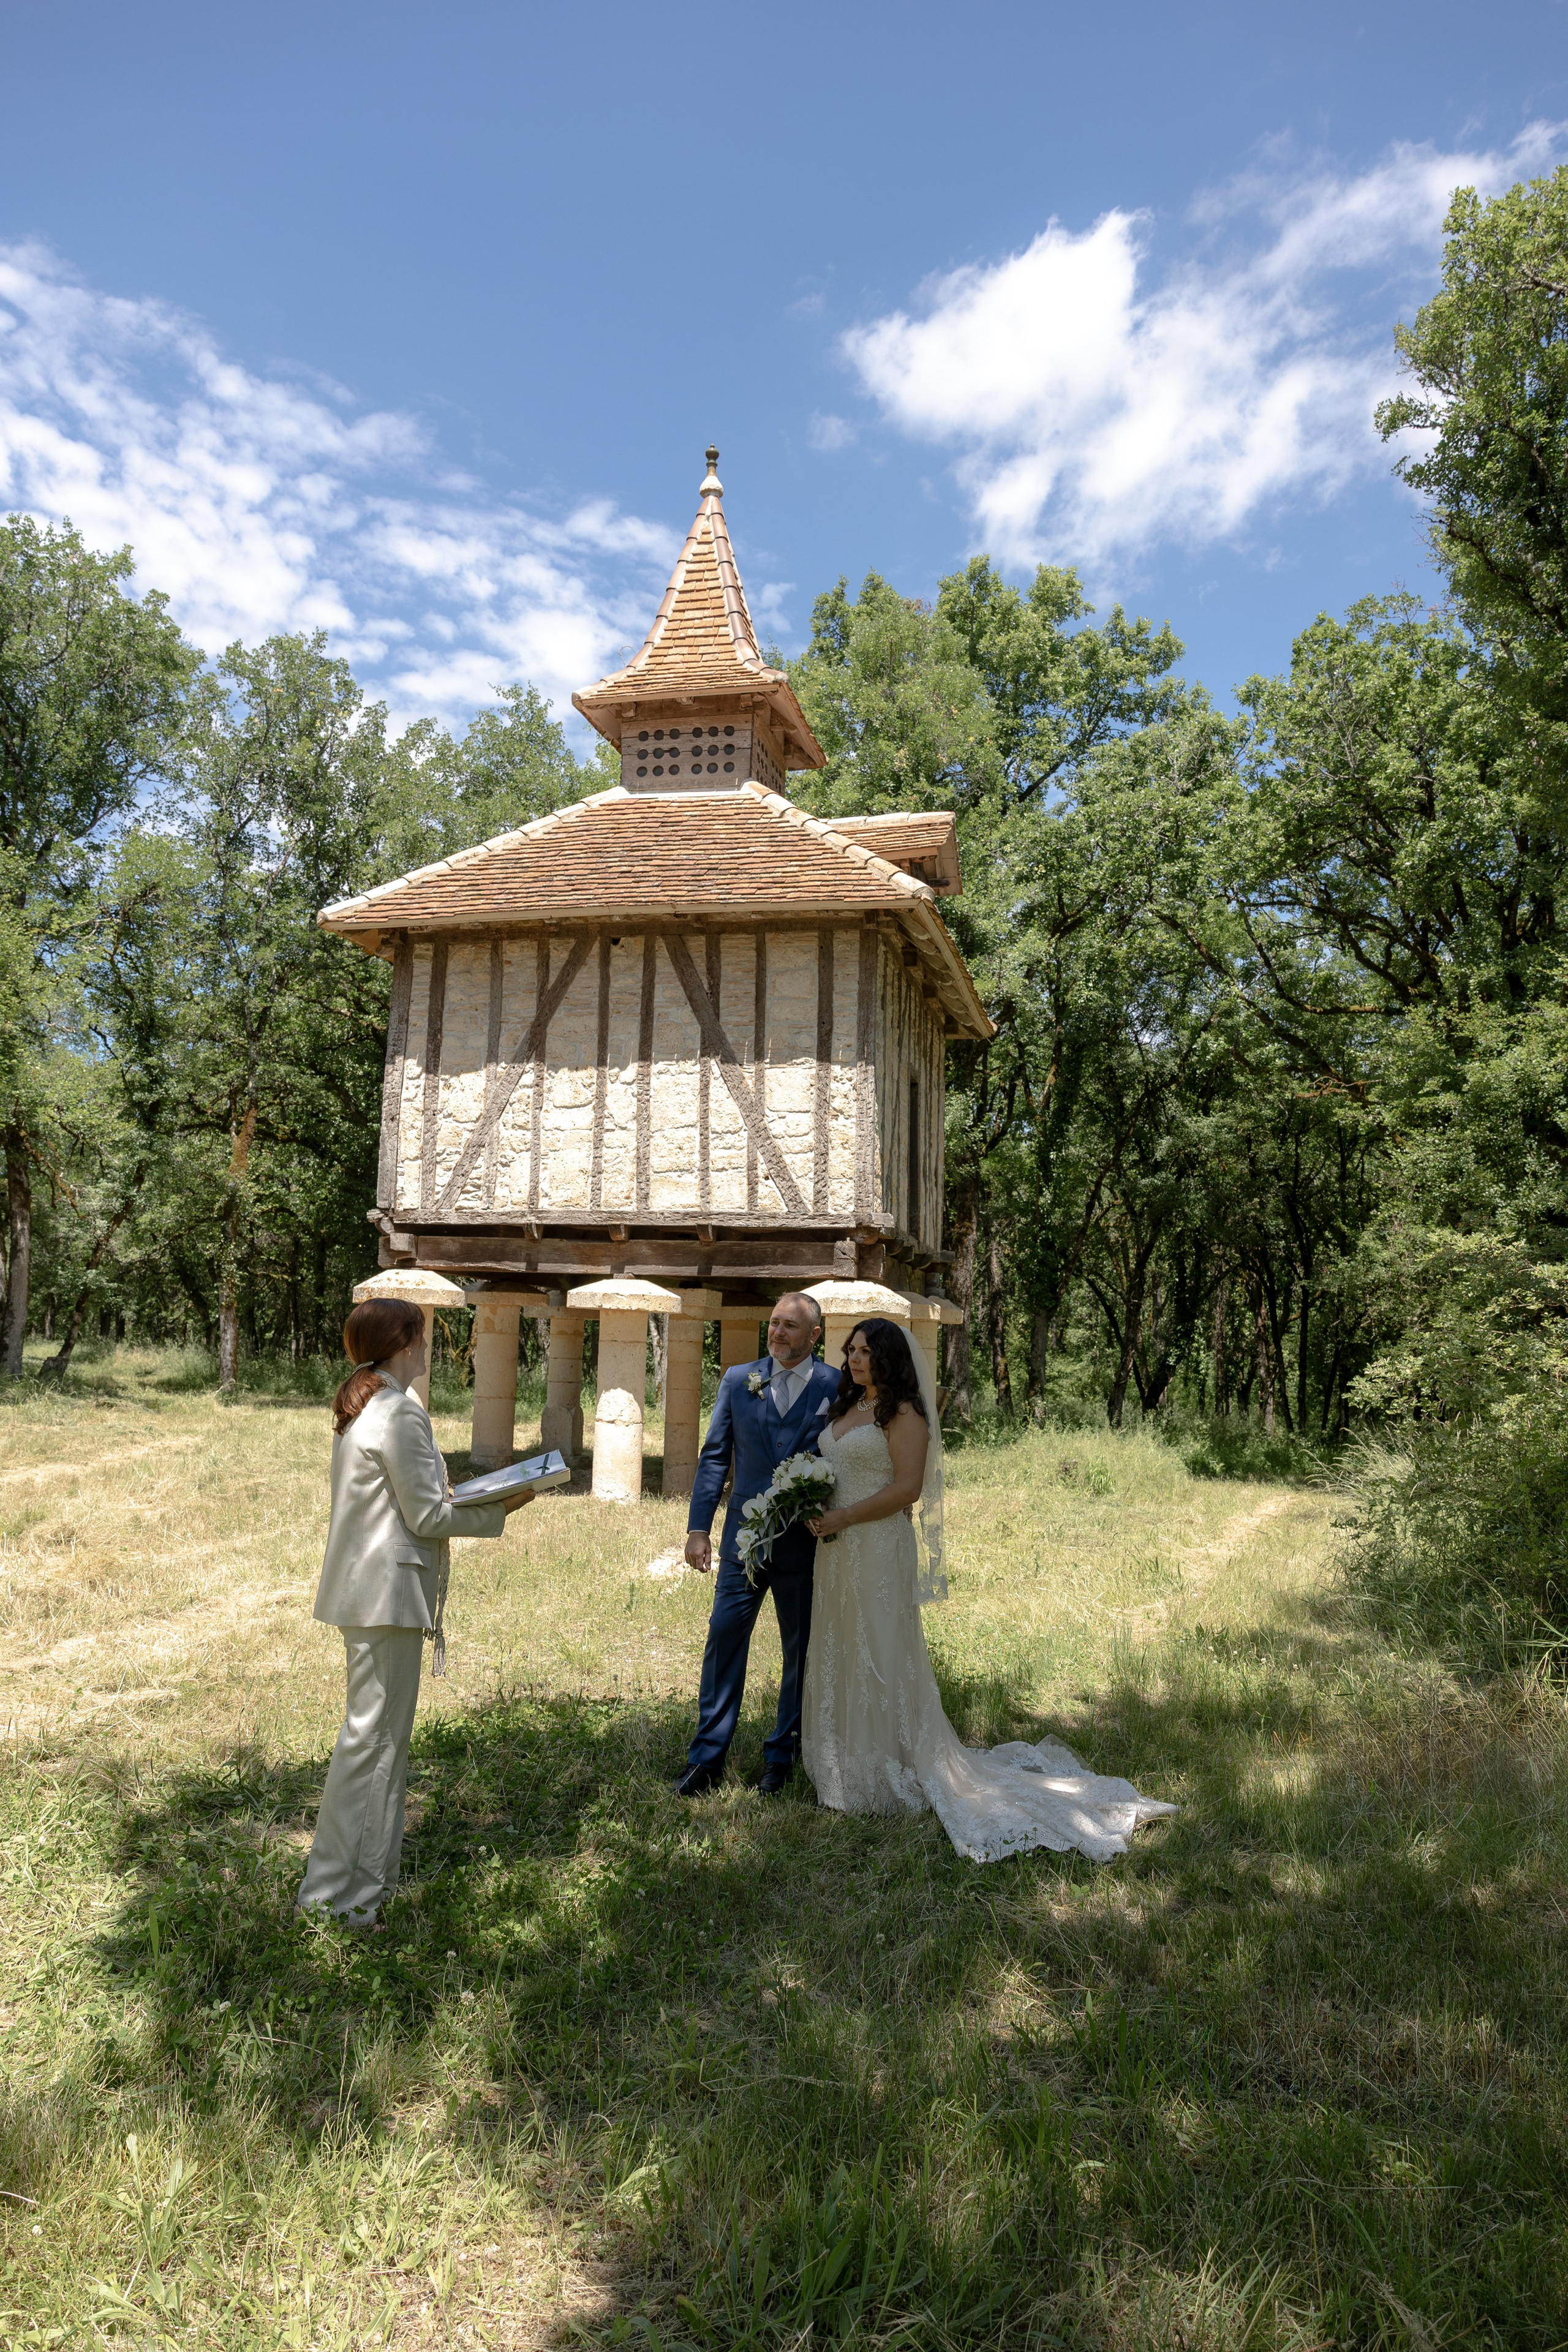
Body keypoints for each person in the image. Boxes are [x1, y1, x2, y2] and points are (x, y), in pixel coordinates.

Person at [802, 1317, 1175, 1864]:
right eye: (851, 1351)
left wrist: (844, 1517)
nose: (855, 1360)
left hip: (877, 1545)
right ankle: (842, 1767)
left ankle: (892, 1766)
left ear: (889, 1359)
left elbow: (906, 1488)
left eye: (866, 1352)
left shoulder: (903, 1414)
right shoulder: (843, 1409)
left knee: (881, 1650)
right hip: (834, 1551)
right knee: (839, 1644)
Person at [298, 1296, 535, 1926]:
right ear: (404, 1342)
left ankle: (344, 1890)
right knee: (375, 1747)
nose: (429, 1349)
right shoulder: (399, 1412)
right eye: (424, 1338)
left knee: (371, 1743)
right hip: (385, 1595)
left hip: (370, 1592)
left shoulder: (369, 1408)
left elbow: (414, 1502)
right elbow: (427, 1515)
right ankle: (348, 1901)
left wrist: (474, 1498)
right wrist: (507, 1504)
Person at [676, 1291, 841, 1797]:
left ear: (815, 1335)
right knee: (724, 1638)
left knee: (801, 1650)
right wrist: (699, 1528)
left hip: (805, 1544)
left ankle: (782, 1757)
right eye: (773, 1323)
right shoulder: (737, 1379)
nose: (777, 1333)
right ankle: (707, 1760)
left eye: (791, 1326)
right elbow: (714, 1457)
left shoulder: (838, 1385)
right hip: (743, 1542)